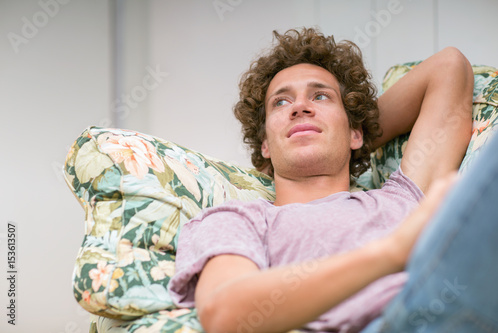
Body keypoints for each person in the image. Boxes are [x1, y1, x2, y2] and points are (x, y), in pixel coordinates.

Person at [168, 27, 482, 332]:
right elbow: (224, 312)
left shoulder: (403, 197)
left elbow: (449, 67)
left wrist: (347, 136)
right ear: (265, 144)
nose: (300, 107)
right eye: (281, 101)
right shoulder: (240, 219)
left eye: (320, 96)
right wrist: (391, 252)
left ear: (356, 132)